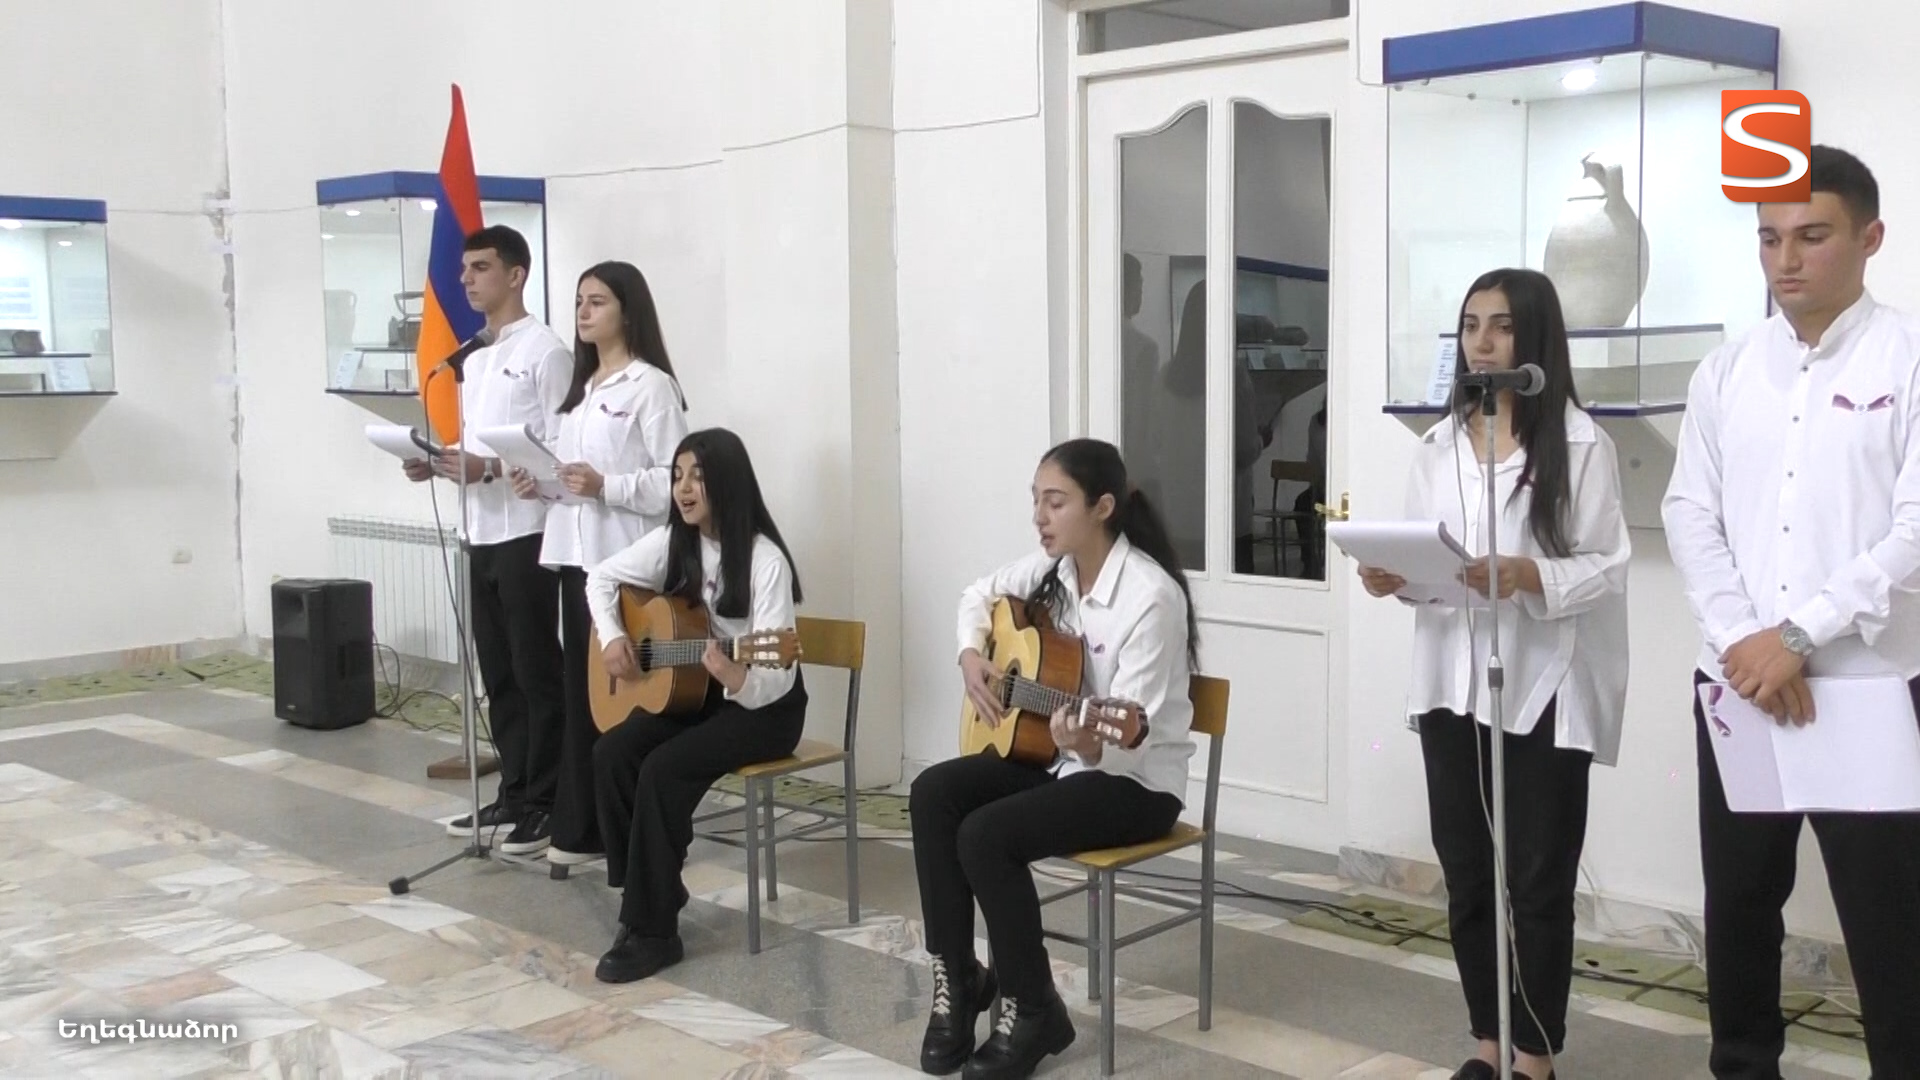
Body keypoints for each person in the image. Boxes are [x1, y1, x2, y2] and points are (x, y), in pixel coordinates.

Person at [1662, 145, 1920, 1078]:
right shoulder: (1726, 371)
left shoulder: (1908, 357)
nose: (1786, 259)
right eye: (1770, 238)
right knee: (1738, 908)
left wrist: (1800, 634)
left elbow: (1914, 530)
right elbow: (1689, 513)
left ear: (1870, 238)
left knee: (1892, 925)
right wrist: (1746, 642)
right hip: (1740, 687)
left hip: (1869, 686)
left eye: (1812, 236)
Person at [1359, 267, 1629, 1080]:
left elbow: (1609, 566)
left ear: (1534, 336)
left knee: (1537, 883)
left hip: (1544, 684)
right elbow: (1428, 555)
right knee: (1468, 875)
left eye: (1502, 325)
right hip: (1451, 680)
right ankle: (1487, 1041)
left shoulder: (1580, 445)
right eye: (1471, 323)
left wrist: (1528, 574)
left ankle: (1535, 1056)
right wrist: (1393, 575)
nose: (1482, 341)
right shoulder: (1439, 445)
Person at [910, 438, 1198, 1080]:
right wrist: (971, 656)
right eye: (1036, 500)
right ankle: (959, 977)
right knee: (933, 793)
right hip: (1058, 759)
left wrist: (1090, 742)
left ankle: (1032, 1005)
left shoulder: (1150, 597)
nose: (1039, 516)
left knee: (986, 835)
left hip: (1137, 784)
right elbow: (977, 594)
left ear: (1102, 507)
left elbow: (1132, 734)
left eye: (1055, 502)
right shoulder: (1054, 571)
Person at [584, 428, 806, 983]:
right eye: (677, 476)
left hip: (766, 708)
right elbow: (600, 578)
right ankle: (647, 894)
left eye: (697, 478)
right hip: (701, 693)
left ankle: (655, 931)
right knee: (613, 754)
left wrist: (737, 678)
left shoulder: (765, 561)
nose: (683, 489)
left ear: (726, 484)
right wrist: (613, 637)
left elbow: (777, 671)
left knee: (663, 769)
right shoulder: (674, 541)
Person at [511, 261, 689, 868]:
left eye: (598, 302)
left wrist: (606, 486)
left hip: (626, 561)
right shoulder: (581, 390)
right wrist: (541, 485)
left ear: (627, 311)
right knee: (582, 691)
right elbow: (571, 479)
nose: (584, 313)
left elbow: (674, 483)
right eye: (579, 302)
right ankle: (581, 824)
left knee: (620, 696)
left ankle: (616, 829)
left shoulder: (651, 387)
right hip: (574, 557)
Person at [403, 224, 571, 856]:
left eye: (480, 268)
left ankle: (548, 802)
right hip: (478, 531)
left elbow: (560, 450)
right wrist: (442, 459)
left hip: (528, 532)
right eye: (464, 269)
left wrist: (492, 469)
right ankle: (515, 791)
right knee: (498, 674)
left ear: (515, 274)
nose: (467, 279)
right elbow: (479, 442)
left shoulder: (547, 352)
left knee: (535, 672)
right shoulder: (472, 357)